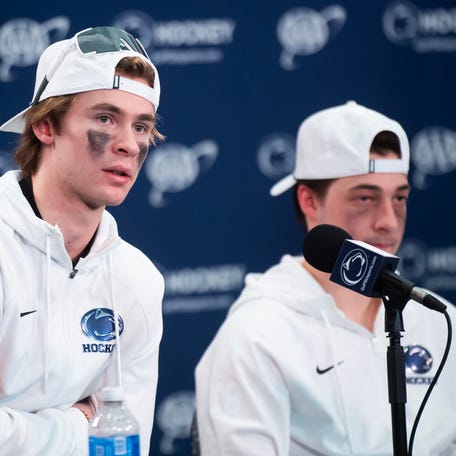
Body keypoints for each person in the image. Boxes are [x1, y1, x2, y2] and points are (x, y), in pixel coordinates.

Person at [194, 101, 456, 455]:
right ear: (309, 201)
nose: (389, 222)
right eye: (365, 197)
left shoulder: (439, 320)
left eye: (399, 198)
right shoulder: (258, 335)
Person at [0, 26, 164, 455]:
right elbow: (105, 437)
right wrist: (80, 424)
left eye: (142, 126)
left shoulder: (137, 280)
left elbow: (129, 444)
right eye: (105, 118)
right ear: (46, 126)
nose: (129, 144)